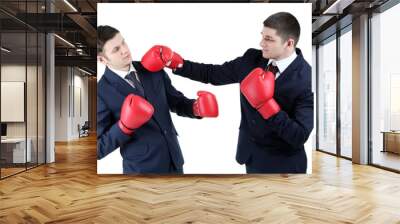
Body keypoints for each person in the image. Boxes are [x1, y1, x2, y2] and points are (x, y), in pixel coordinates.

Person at [141, 12, 313, 173]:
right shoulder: (253, 59)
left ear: (289, 43)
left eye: (268, 39)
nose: (261, 43)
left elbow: (299, 136)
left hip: (285, 165)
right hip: (251, 156)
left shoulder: (307, 78)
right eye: (262, 36)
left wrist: (267, 106)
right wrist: (176, 63)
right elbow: (213, 74)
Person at [97, 25, 219, 174]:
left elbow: (175, 101)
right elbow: (98, 148)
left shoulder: (150, 68)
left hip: (174, 160)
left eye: (123, 42)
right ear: (102, 59)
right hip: (142, 170)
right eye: (116, 49)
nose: (124, 50)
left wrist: (195, 108)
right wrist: (124, 127)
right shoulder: (101, 91)